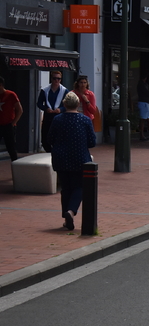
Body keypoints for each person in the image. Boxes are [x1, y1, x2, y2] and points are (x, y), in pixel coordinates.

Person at [48, 92, 96, 231]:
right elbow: (92, 142)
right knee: (79, 187)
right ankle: (71, 211)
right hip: (79, 158)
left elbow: (49, 139)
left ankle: (66, 217)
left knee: (65, 187)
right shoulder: (85, 120)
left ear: (64, 104)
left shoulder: (57, 119)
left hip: (61, 158)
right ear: (78, 104)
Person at [37, 71, 69, 152]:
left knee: (58, 137)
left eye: (58, 79)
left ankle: (56, 151)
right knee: (45, 138)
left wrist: (61, 109)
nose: (56, 80)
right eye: (54, 78)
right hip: (48, 117)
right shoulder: (45, 90)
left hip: (60, 117)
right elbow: (39, 103)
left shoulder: (65, 91)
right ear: (51, 79)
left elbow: (68, 105)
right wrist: (45, 109)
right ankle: (49, 151)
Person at [0, 76, 23, 161]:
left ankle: (15, 165)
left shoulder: (11, 95)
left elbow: (20, 110)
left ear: (1, 85)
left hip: (8, 125)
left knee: (11, 147)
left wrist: (13, 123)